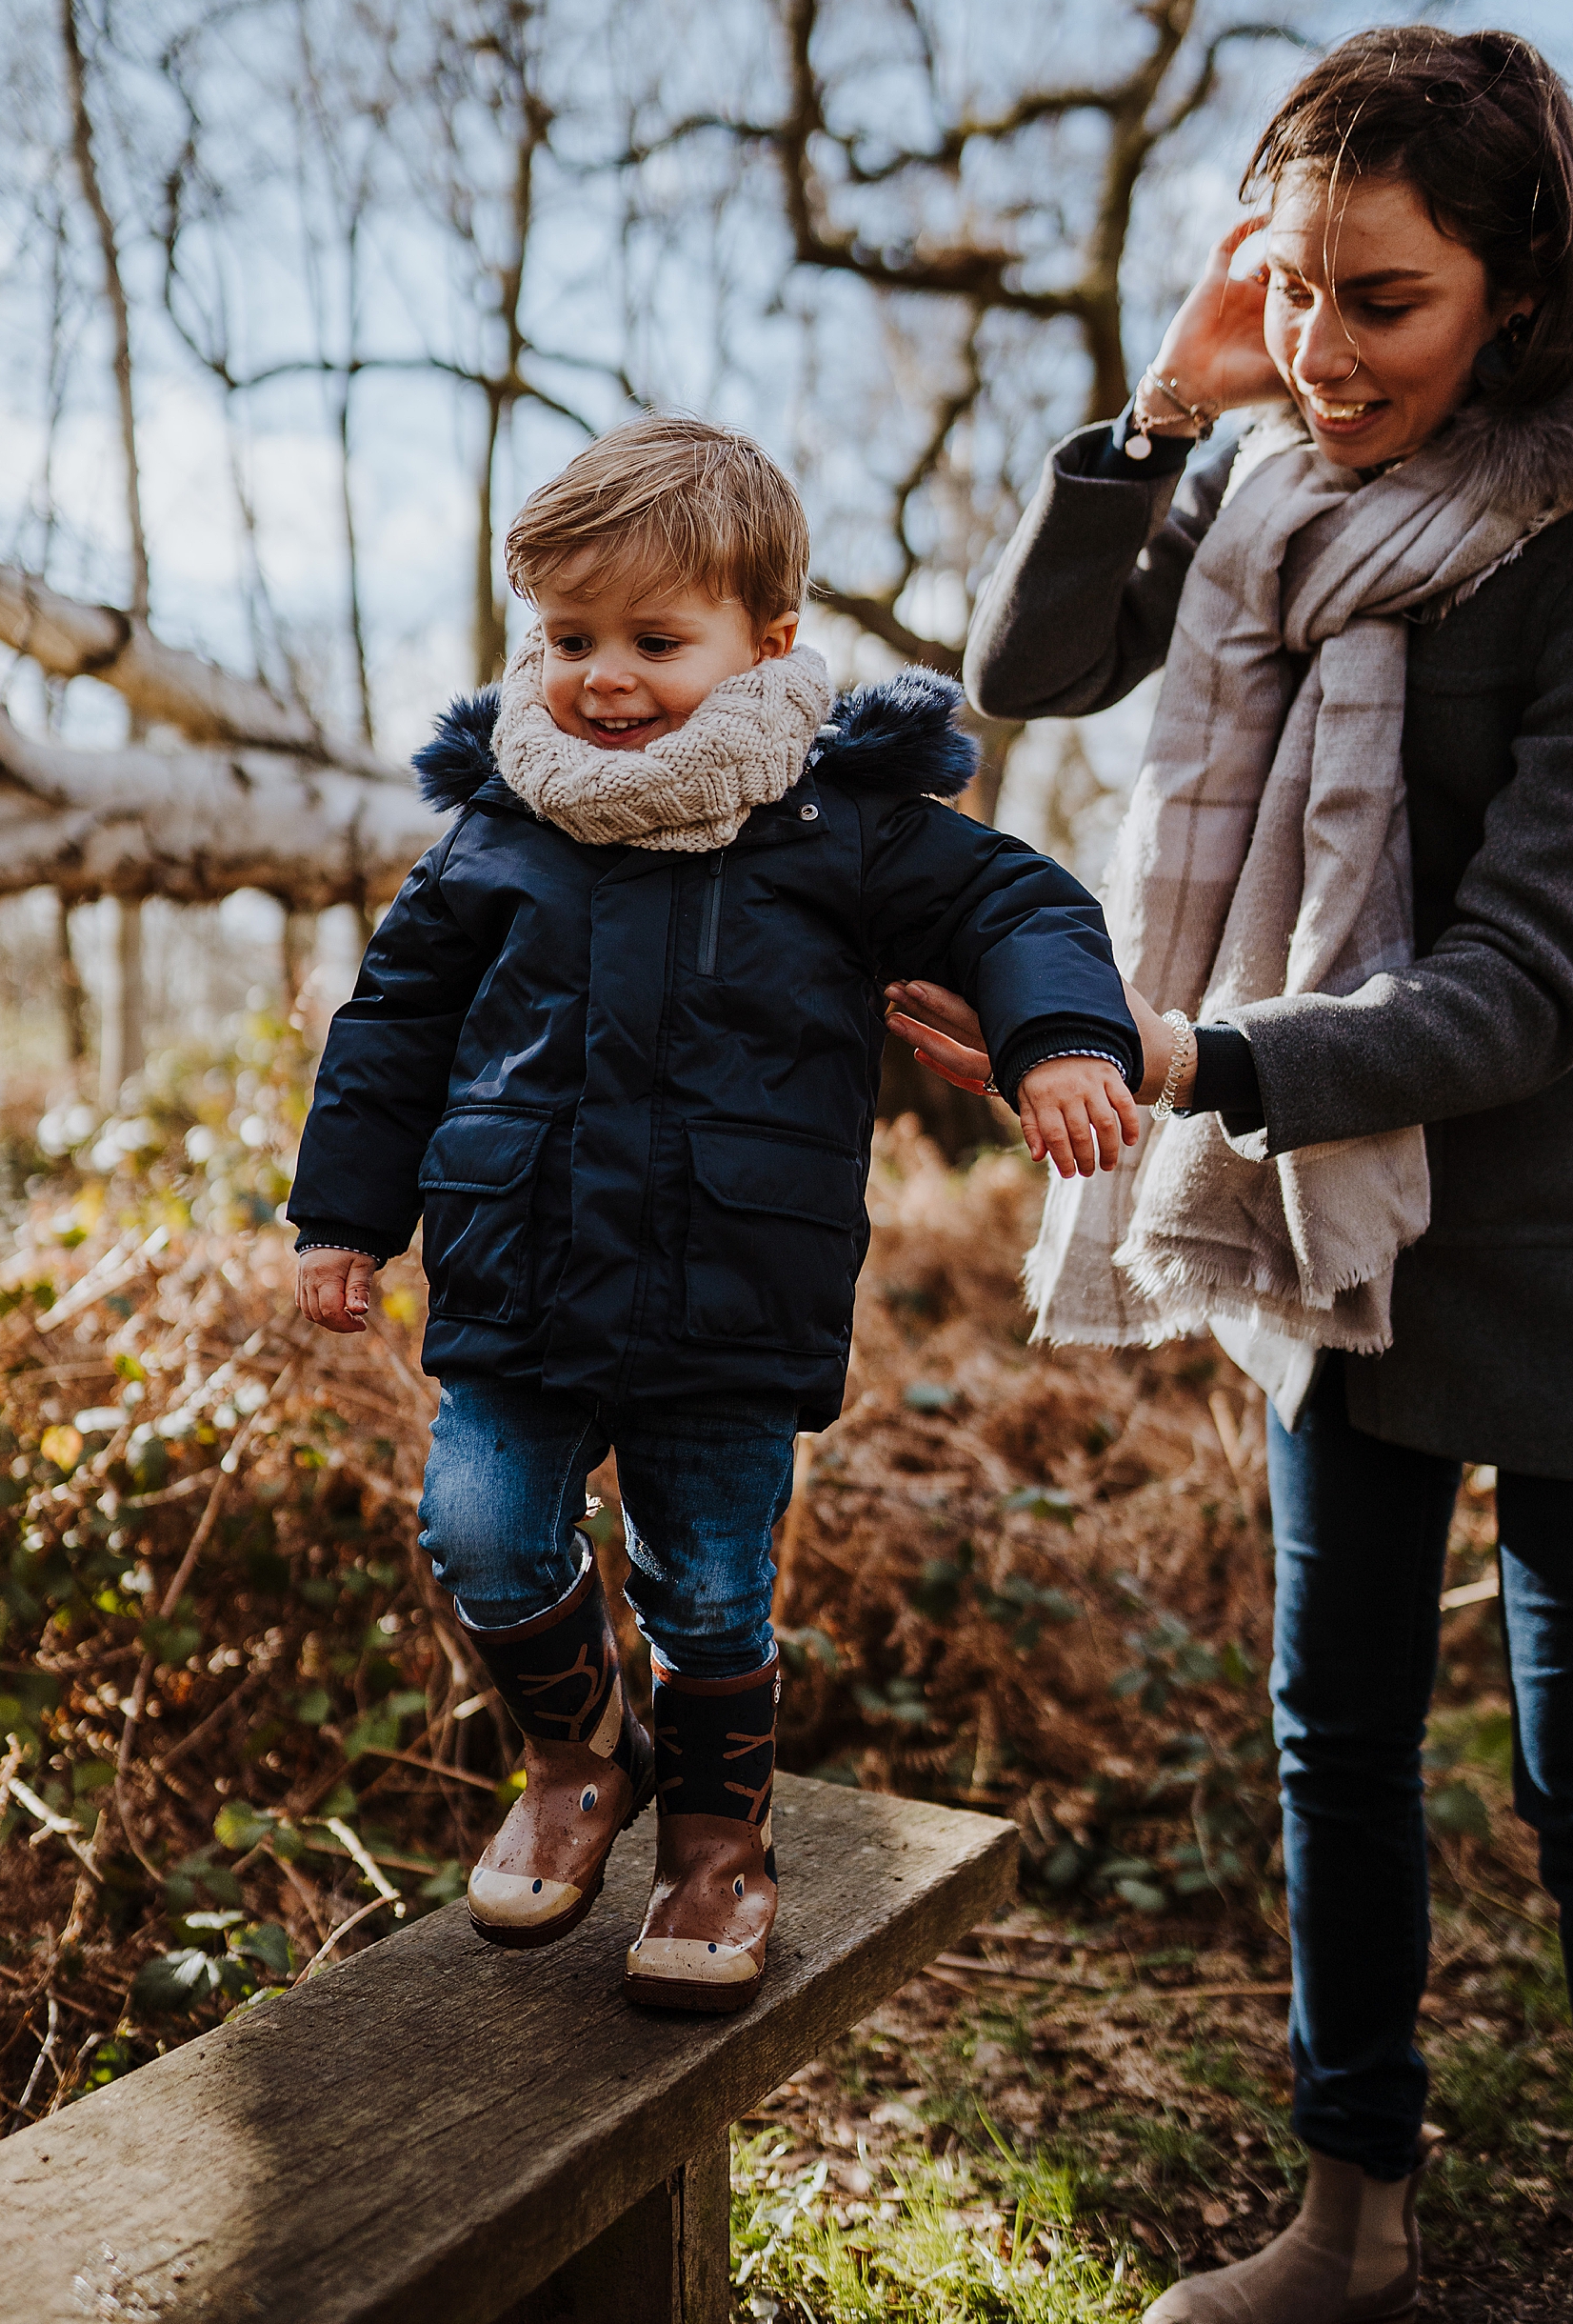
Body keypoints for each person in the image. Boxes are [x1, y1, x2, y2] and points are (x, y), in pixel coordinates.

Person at [889, 27, 1573, 2320]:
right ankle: (1355, 2228)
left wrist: (1180, 1052)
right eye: (1290, 283)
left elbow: (1519, 991)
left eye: (1383, 299)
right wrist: (1169, 406)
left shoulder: (1560, 531)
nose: (1322, 343)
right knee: (1338, 1735)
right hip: (1329, 1224)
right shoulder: (1262, 479)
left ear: (1522, 290)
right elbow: (1030, 659)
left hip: (1554, 1232)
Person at [285, 414, 1143, 2014]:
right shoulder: (499, 833)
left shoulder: (844, 827)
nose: (604, 677)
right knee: (479, 1528)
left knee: (710, 1588)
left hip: (731, 1293)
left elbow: (1020, 904)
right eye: (569, 639)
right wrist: (345, 1219)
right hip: (517, 1276)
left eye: (655, 640)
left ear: (769, 641)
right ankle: (569, 1758)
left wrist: (1064, 1039)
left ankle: (717, 1848)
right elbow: (392, 1026)